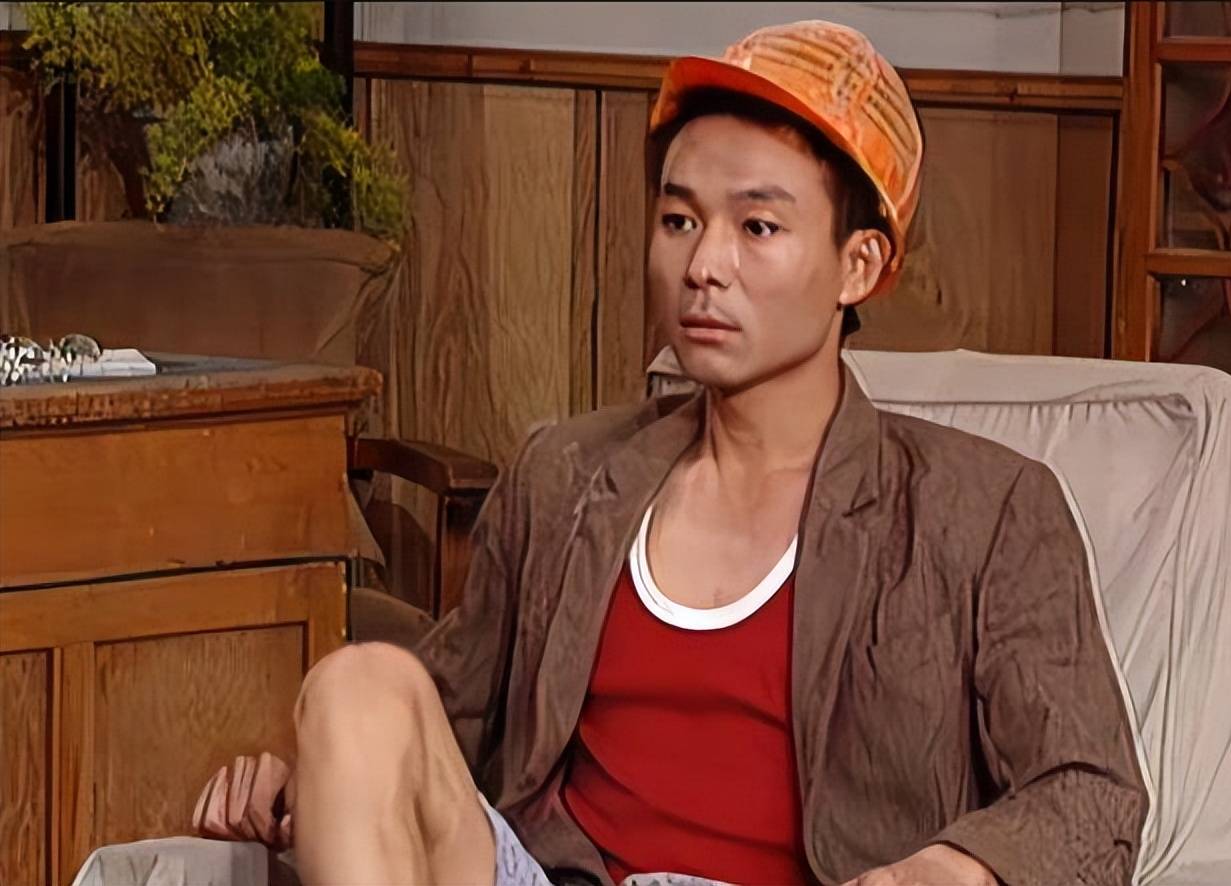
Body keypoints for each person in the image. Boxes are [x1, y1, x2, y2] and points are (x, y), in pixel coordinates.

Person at [195, 20, 1148, 886]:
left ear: (859, 264)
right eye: (679, 220)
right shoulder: (565, 475)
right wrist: (314, 779)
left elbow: (1092, 793)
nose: (703, 266)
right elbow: (447, 718)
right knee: (359, 682)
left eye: (757, 227)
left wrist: (944, 870)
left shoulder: (983, 511)